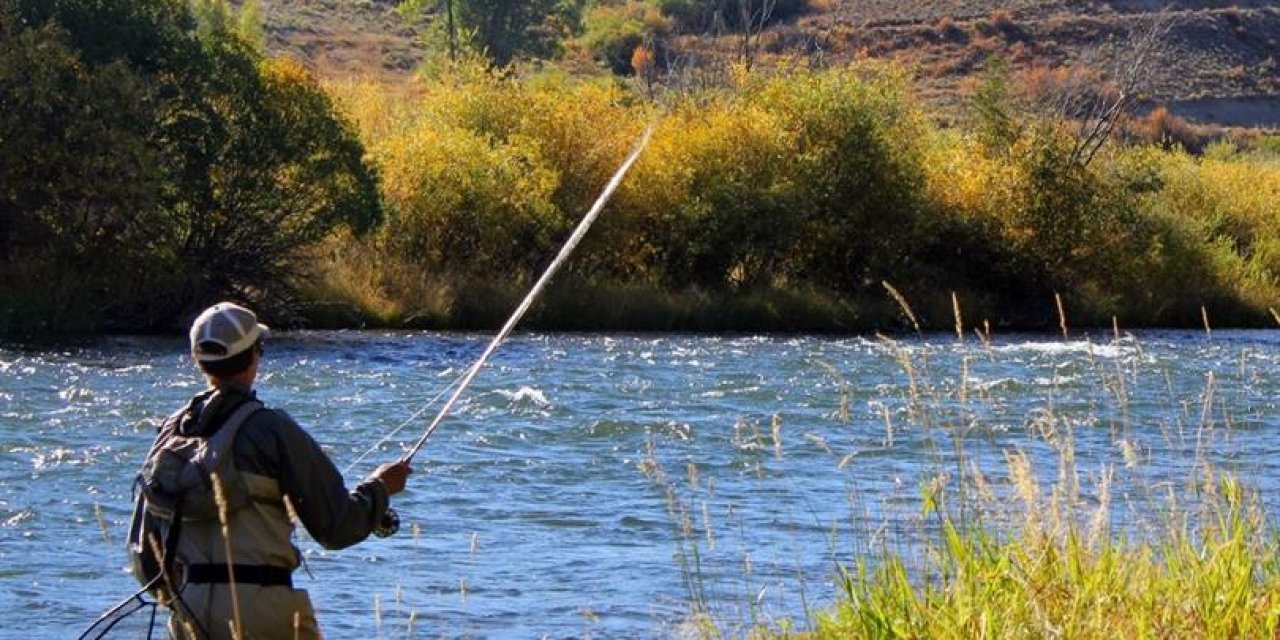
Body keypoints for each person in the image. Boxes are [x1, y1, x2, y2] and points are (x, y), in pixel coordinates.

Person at [155, 301, 411, 639]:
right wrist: (380, 488)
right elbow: (335, 528)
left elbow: (144, 555)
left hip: (187, 611)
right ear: (254, 356)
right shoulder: (271, 429)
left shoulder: (169, 435)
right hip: (265, 611)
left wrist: (185, 600)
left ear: (196, 360)